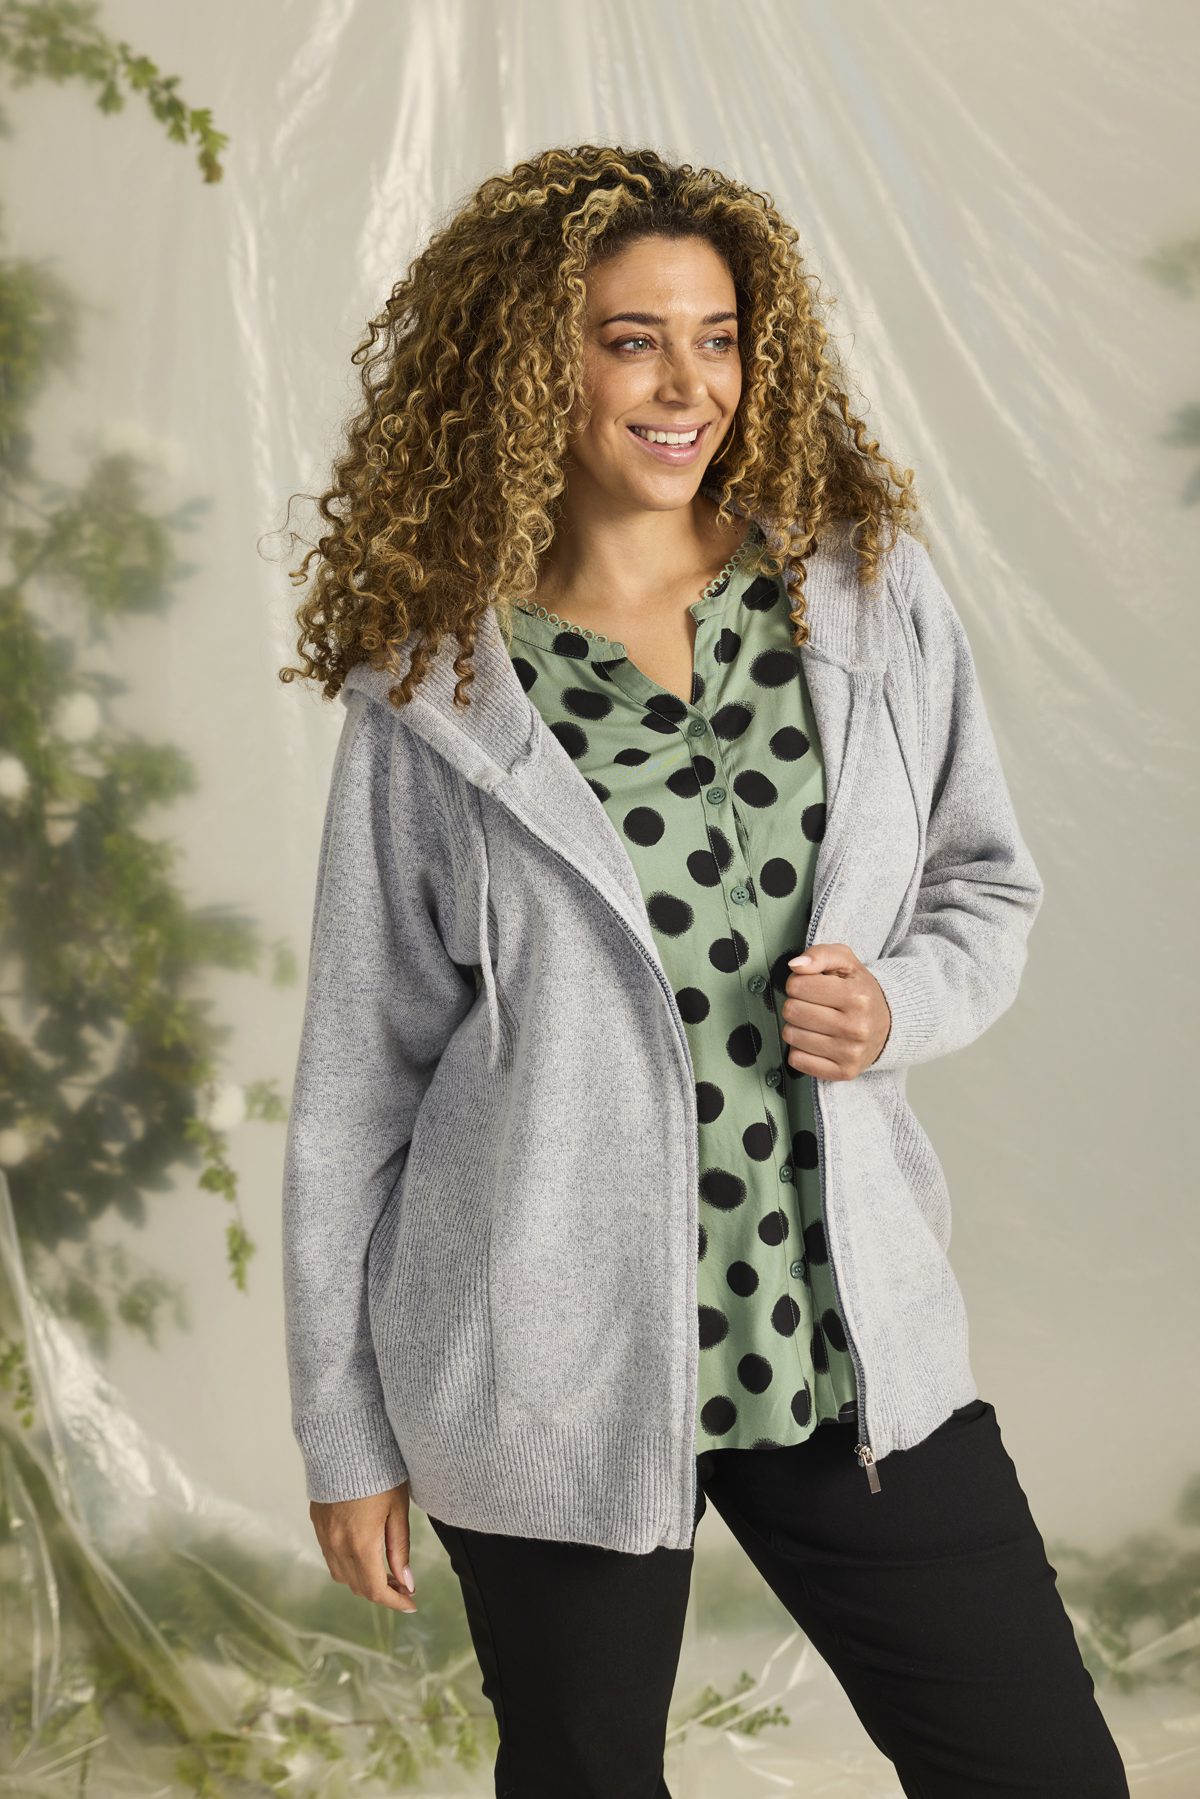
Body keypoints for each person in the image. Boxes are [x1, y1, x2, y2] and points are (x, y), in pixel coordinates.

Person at [278, 145, 1128, 1798]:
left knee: (1037, 1770)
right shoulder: (435, 688)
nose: (689, 387)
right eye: (632, 340)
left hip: (841, 1341)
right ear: (532, 367)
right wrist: (345, 1432)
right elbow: (354, 1091)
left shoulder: (862, 596)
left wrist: (898, 1008)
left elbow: (984, 883)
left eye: (720, 337)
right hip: (545, 1365)